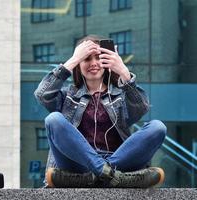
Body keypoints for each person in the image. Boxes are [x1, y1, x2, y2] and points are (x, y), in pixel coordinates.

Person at [34, 35, 167, 188]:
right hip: (77, 165)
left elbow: (141, 107)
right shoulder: (67, 96)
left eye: (98, 57)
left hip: (119, 162)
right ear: (79, 64)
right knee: (53, 120)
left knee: (158, 127)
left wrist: (123, 72)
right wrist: (72, 60)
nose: (94, 63)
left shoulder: (120, 96)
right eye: (87, 59)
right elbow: (42, 95)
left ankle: (96, 176)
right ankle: (110, 176)